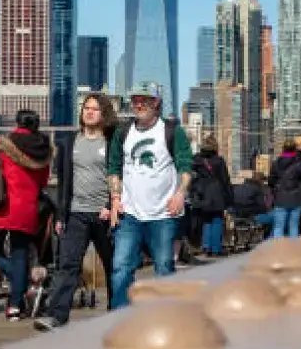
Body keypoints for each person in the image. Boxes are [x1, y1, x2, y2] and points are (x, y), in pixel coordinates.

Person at [106, 81, 193, 310]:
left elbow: (185, 166)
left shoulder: (172, 131)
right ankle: (120, 318)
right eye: (135, 99)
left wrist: (180, 194)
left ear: (156, 102)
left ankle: (165, 316)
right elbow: (114, 167)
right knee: (121, 267)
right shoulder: (122, 132)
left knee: (164, 267)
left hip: (163, 214)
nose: (138, 104)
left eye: (144, 100)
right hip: (130, 214)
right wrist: (115, 198)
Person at [34, 94, 117, 332]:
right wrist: (61, 215)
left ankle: (118, 313)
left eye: (95, 109)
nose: (89, 112)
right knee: (67, 265)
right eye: (86, 108)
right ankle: (56, 316)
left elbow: (120, 177)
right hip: (76, 213)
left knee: (114, 265)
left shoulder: (112, 142)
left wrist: (112, 207)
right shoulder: (69, 142)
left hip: (103, 214)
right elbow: (63, 183)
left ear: (104, 114)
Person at [0, 110, 52, 321]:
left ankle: (19, 280)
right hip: (27, 207)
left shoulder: (3, 143)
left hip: (1, 204)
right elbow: (44, 181)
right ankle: (14, 306)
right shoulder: (43, 149)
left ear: (16, 123)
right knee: (20, 252)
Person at [190, 134, 233, 257]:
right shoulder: (218, 161)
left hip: (202, 193)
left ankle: (206, 247)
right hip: (217, 194)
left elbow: (192, 176)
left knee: (206, 220)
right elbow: (225, 180)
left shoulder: (196, 159)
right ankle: (216, 249)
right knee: (217, 220)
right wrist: (230, 199)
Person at [268, 138, 301, 238]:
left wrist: (278, 187)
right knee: (294, 227)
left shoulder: (276, 163)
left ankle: (278, 249)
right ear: (294, 149)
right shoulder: (299, 163)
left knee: (278, 227)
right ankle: (293, 250)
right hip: (296, 199)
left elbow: (271, 181)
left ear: (283, 149)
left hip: (280, 199)